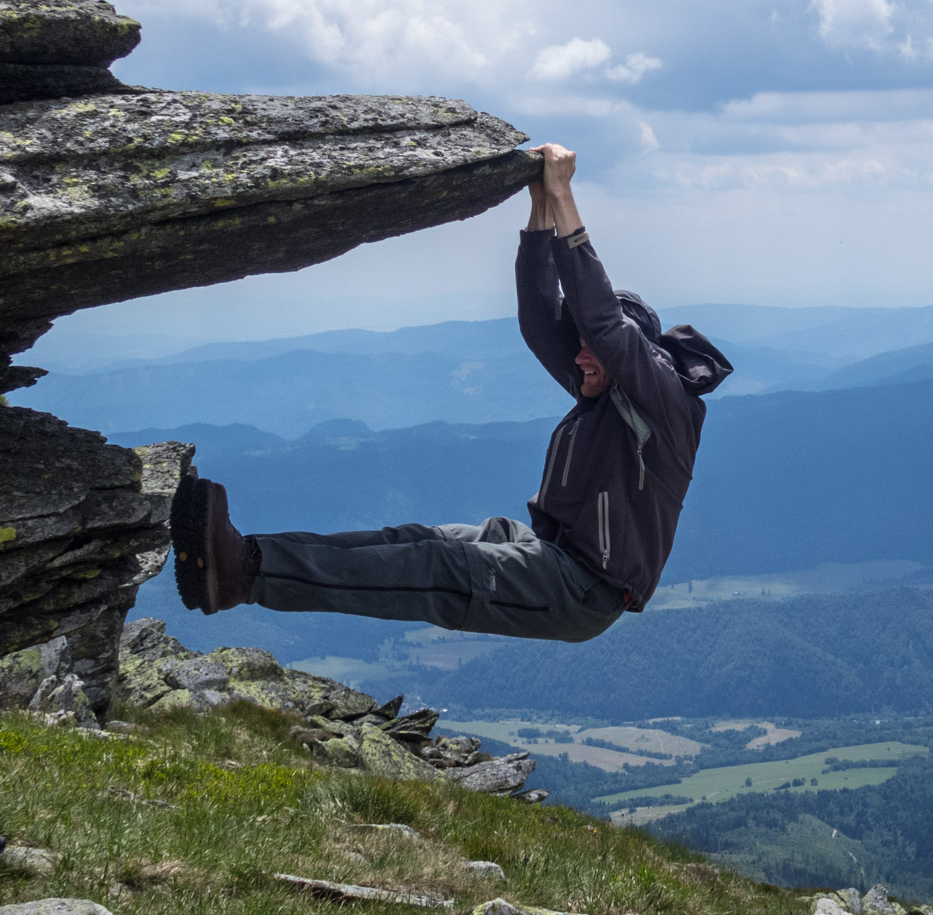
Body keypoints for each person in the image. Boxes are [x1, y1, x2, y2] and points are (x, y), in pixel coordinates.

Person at [168, 143, 732, 643]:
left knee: (431, 567)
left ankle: (245, 573)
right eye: (580, 343)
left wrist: (563, 196)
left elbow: (605, 323)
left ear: (631, 355)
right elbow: (541, 324)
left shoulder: (663, 405)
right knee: (413, 539)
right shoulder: (603, 390)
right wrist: (538, 210)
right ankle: (242, 554)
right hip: (547, 551)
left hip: (585, 588)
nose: (581, 353)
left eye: (594, 346)